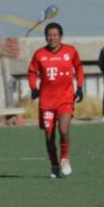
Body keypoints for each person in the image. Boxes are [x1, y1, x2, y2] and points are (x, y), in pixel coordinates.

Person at [28, 22, 83, 178]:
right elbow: (32, 72)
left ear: (60, 36)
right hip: (46, 102)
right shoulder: (39, 54)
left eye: (55, 35)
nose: (52, 38)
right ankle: (54, 165)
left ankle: (64, 158)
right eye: (49, 35)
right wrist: (33, 88)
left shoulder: (70, 51)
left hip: (65, 98)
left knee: (63, 130)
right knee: (49, 137)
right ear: (46, 36)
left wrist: (79, 87)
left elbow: (78, 67)